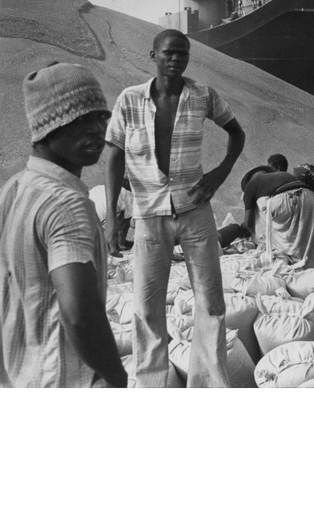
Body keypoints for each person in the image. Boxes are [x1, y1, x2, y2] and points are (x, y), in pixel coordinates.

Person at [104, 29, 245, 388]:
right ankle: (152, 388)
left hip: (195, 210)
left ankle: (209, 386)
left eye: (183, 53)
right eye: (169, 53)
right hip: (149, 216)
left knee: (211, 304)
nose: (176, 59)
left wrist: (220, 172)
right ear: (153, 55)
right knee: (147, 309)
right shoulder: (130, 100)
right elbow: (114, 155)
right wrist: (112, 220)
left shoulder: (202, 95)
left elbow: (237, 133)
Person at [0, 63, 127, 387]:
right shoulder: (66, 204)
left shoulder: (13, 189)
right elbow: (80, 315)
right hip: (59, 379)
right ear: (46, 125)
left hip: (16, 376)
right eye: (80, 118)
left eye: (100, 116)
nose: (98, 129)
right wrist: (116, 377)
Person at [240, 164, 314, 268]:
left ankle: (268, 246)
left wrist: (240, 232)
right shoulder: (283, 175)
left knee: (258, 207)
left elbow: (248, 223)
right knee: (307, 235)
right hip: (309, 197)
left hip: (285, 199)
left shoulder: (251, 185)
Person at [89, 176, 134, 251]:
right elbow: (134, 223)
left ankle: (118, 242)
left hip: (89, 220)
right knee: (128, 217)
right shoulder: (126, 195)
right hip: (98, 221)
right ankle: (118, 243)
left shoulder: (98, 189)